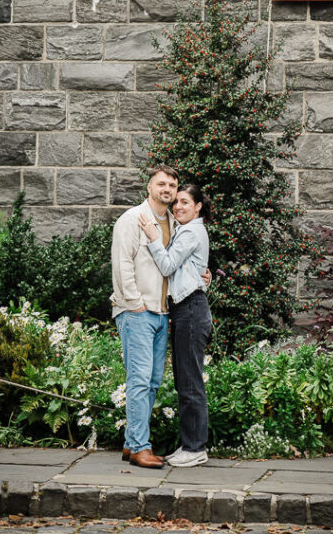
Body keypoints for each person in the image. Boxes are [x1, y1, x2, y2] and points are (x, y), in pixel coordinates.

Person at [138, 182, 212, 469]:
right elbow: (192, 269)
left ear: (198, 207)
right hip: (185, 309)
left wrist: (152, 237)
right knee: (185, 379)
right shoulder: (188, 230)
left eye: (185, 202)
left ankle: (195, 448)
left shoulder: (192, 230)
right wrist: (205, 278)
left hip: (191, 310)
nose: (179, 206)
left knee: (190, 380)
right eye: (176, 202)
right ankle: (189, 444)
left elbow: (168, 265)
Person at [110, 163, 178, 469]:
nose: (167, 190)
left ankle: (130, 444)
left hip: (162, 313)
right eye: (161, 184)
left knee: (151, 382)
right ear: (149, 187)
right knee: (138, 380)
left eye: (172, 186)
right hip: (137, 312)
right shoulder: (132, 220)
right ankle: (140, 447)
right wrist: (134, 303)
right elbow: (122, 263)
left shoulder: (173, 223)